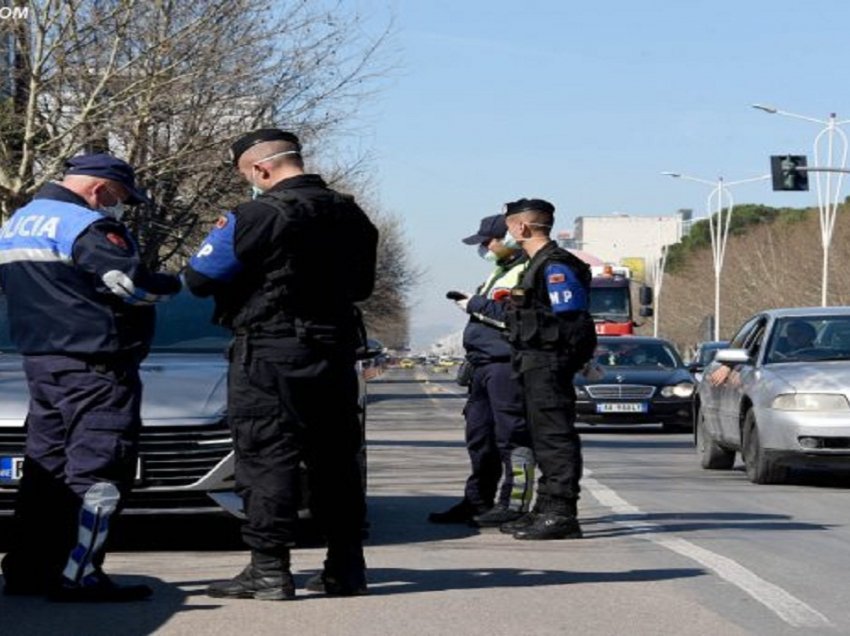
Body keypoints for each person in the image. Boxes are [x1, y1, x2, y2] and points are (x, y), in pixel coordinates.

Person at [184, 128, 378, 600]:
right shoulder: (352, 215)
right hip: (332, 354)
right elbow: (362, 289)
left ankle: (269, 570)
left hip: (270, 353)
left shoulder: (254, 214)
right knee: (336, 461)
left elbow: (199, 277)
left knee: (267, 457)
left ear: (260, 170)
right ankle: (345, 567)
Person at [0, 153, 182, 601]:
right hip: (97, 367)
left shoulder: (17, 222)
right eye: (119, 198)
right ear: (101, 189)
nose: (116, 207)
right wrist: (173, 285)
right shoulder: (87, 227)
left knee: (48, 472)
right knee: (99, 471)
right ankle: (80, 573)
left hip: (42, 363)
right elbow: (130, 284)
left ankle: (28, 569)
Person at [428, 214, 535, 527]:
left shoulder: (526, 272)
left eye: (490, 241)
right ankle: (477, 502)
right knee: (480, 438)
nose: (486, 247)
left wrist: (473, 304)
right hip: (483, 365)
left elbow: (515, 319)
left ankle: (514, 505)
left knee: (511, 437)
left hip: (506, 365)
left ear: (512, 237)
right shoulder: (500, 271)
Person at [501, 198, 597, 540]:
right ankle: (544, 507)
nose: (507, 233)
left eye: (509, 226)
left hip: (549, 362)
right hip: (534, 361)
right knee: (541, 439)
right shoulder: (535, 264)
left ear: (521, 227)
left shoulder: (555, 265)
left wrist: (567, 361)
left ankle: (561, 512)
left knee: (555, 438)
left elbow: (572, 320)